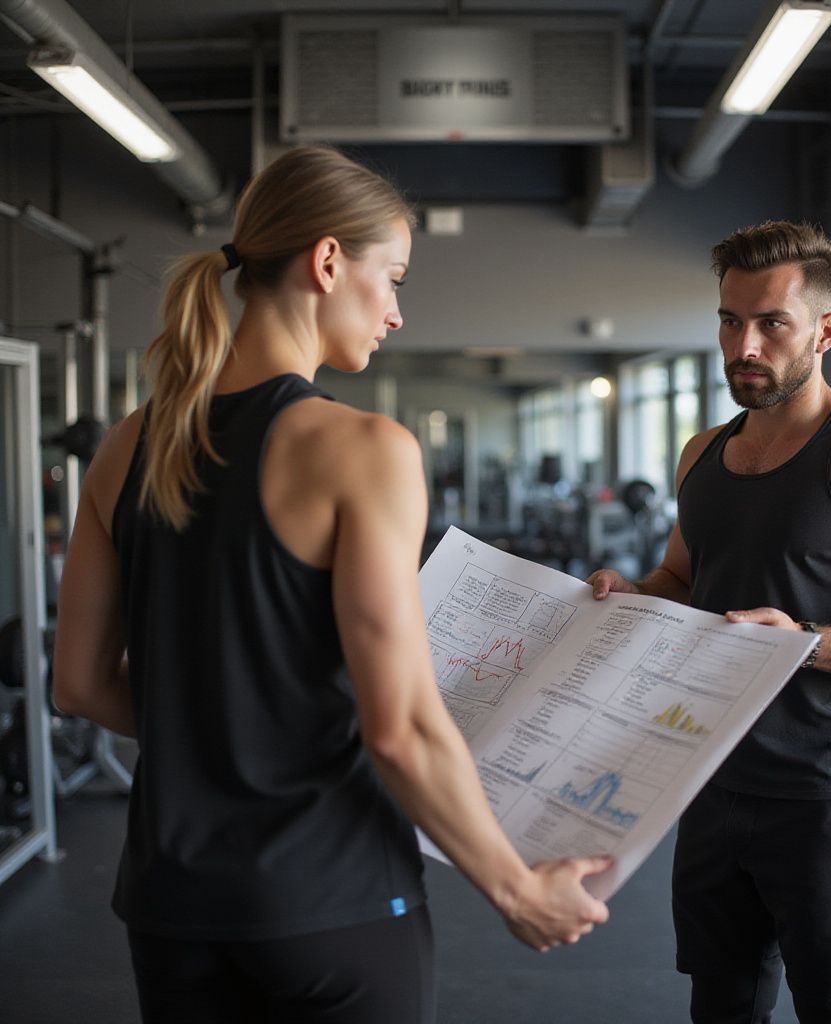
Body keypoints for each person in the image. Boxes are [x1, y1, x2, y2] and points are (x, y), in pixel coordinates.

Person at [52, 145, 610, 1024]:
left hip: (172, 908)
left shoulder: (125, 445)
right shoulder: (364, 450)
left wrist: (220, 732)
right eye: (392, 276)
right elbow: (397, 730)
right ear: (325, 262)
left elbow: (78, 684)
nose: (394, 311)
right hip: (332, 902)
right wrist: (516, 889)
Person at [588, 220, 831, 1024]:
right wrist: (627, 596)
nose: (744, 345)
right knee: (722, 1006)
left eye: (771, 324)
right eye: (730, 320)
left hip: (825, 799)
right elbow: (682, 581)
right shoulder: (702, 454)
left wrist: (802, 645)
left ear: (825, 331)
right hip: (708, 781)